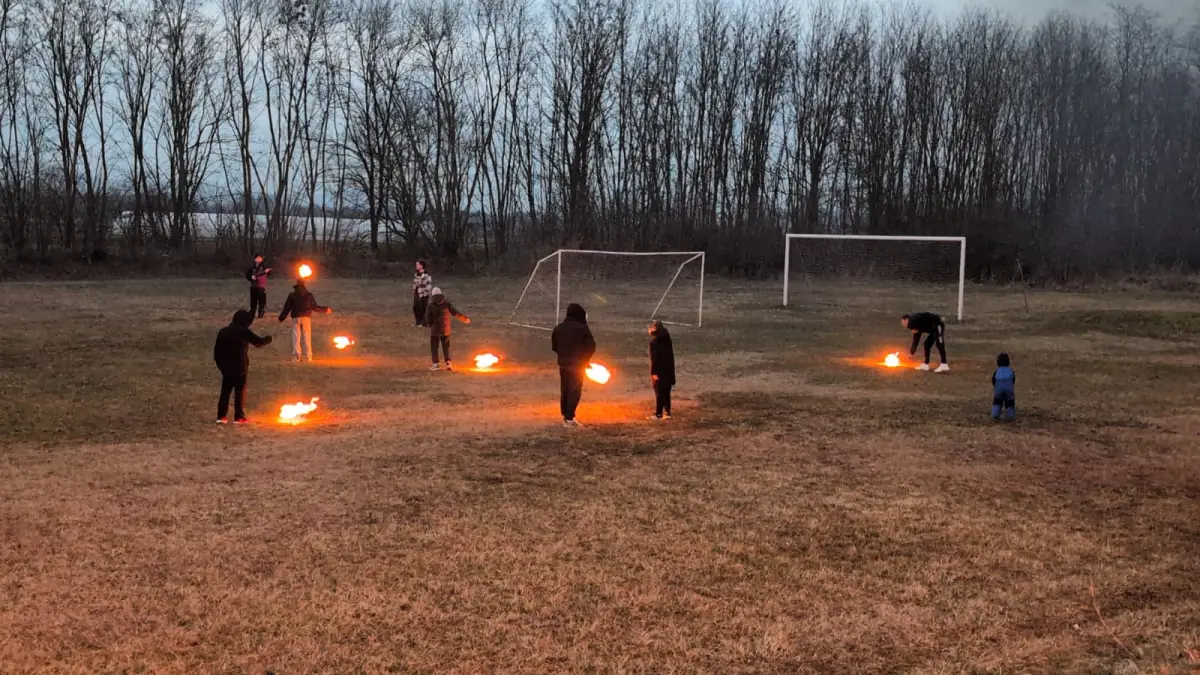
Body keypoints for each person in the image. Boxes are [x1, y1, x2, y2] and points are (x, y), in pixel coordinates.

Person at [213, 309, 273, 424]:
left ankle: (221, 416)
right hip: (240, 368)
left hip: (226, 368)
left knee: (225, 392)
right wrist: (268, 339)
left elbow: (217, 353)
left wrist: (222, 367)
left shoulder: (223, 332)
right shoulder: (243, 332)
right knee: (240, 393)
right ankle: (239, 417)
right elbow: (258, 342)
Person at [551, 303, 596, 427]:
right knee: (574, 391)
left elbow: (554, 347)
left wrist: (564, 355)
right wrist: (585, 360)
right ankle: (569, 418)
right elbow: (591, 346)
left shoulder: (558, 328)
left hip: (563, 364)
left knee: (565, 390)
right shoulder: (582, 328)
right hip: (577, 366)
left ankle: (566, 415)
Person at [278, 280, 332, 362]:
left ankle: (296, 357)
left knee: (296, 337)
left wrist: (281, 318)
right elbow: (315, 307)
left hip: (295, 317)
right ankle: (308, 357)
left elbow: (287, 308)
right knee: (307, 337)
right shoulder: (309, 295)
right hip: (306, 318)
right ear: (304, 286)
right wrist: (325, 309)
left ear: (296, 286)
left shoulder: (292, 295)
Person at [425, 287, 470, 371]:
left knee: (434, 347)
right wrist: (464, 319)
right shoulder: (447, 304)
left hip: (435, 330)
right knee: (446, 346)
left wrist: (430, 325)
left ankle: (436, 364)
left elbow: (428, 318)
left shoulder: (430, 306)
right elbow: (455, 312)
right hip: (446, 330)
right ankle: (448, 363)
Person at [648, 320, 676, 420]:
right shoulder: (668, 340)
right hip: (669, 370)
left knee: (659, 392)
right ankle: (667, 412)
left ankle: (658, 413)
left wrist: (654, 372)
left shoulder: (654, 343)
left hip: (659, 371)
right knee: (667, 392)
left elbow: (655, 359)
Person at [245, 254, 272, 319]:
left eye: (260, 258)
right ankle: (252, 314)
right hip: (253, 287)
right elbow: (247, 275)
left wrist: (267, 271)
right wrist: (251, 277)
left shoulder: (264, 266)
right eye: (257, 258)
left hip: (261, 287)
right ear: (255, 259)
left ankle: (260, 314)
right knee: (253, 302)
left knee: (262, 302)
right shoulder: (251, 267)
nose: (259, 259)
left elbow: (269, 273)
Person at [991, 353, 1016, 421]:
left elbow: (993, 380)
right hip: (1009, 389)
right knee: (1010, 402)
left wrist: (996, 387)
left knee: (997, 401)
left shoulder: (997, 371)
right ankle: (1011, 415)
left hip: (999, 389)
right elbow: (1013, 380)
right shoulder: (1011, 371)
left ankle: (995, 414)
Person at [412, 260, 433, 327]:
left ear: (421, 265)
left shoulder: (426, 275)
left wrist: (426, 293)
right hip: (416, 293)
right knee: (415, 307)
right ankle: (418, 322)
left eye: (417, 264)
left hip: (423, 294)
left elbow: (429, 285)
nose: (416, 266)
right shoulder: (416, 274)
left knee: (423, 308)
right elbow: (415, 283)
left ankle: (424, 323)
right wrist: (414, 290)